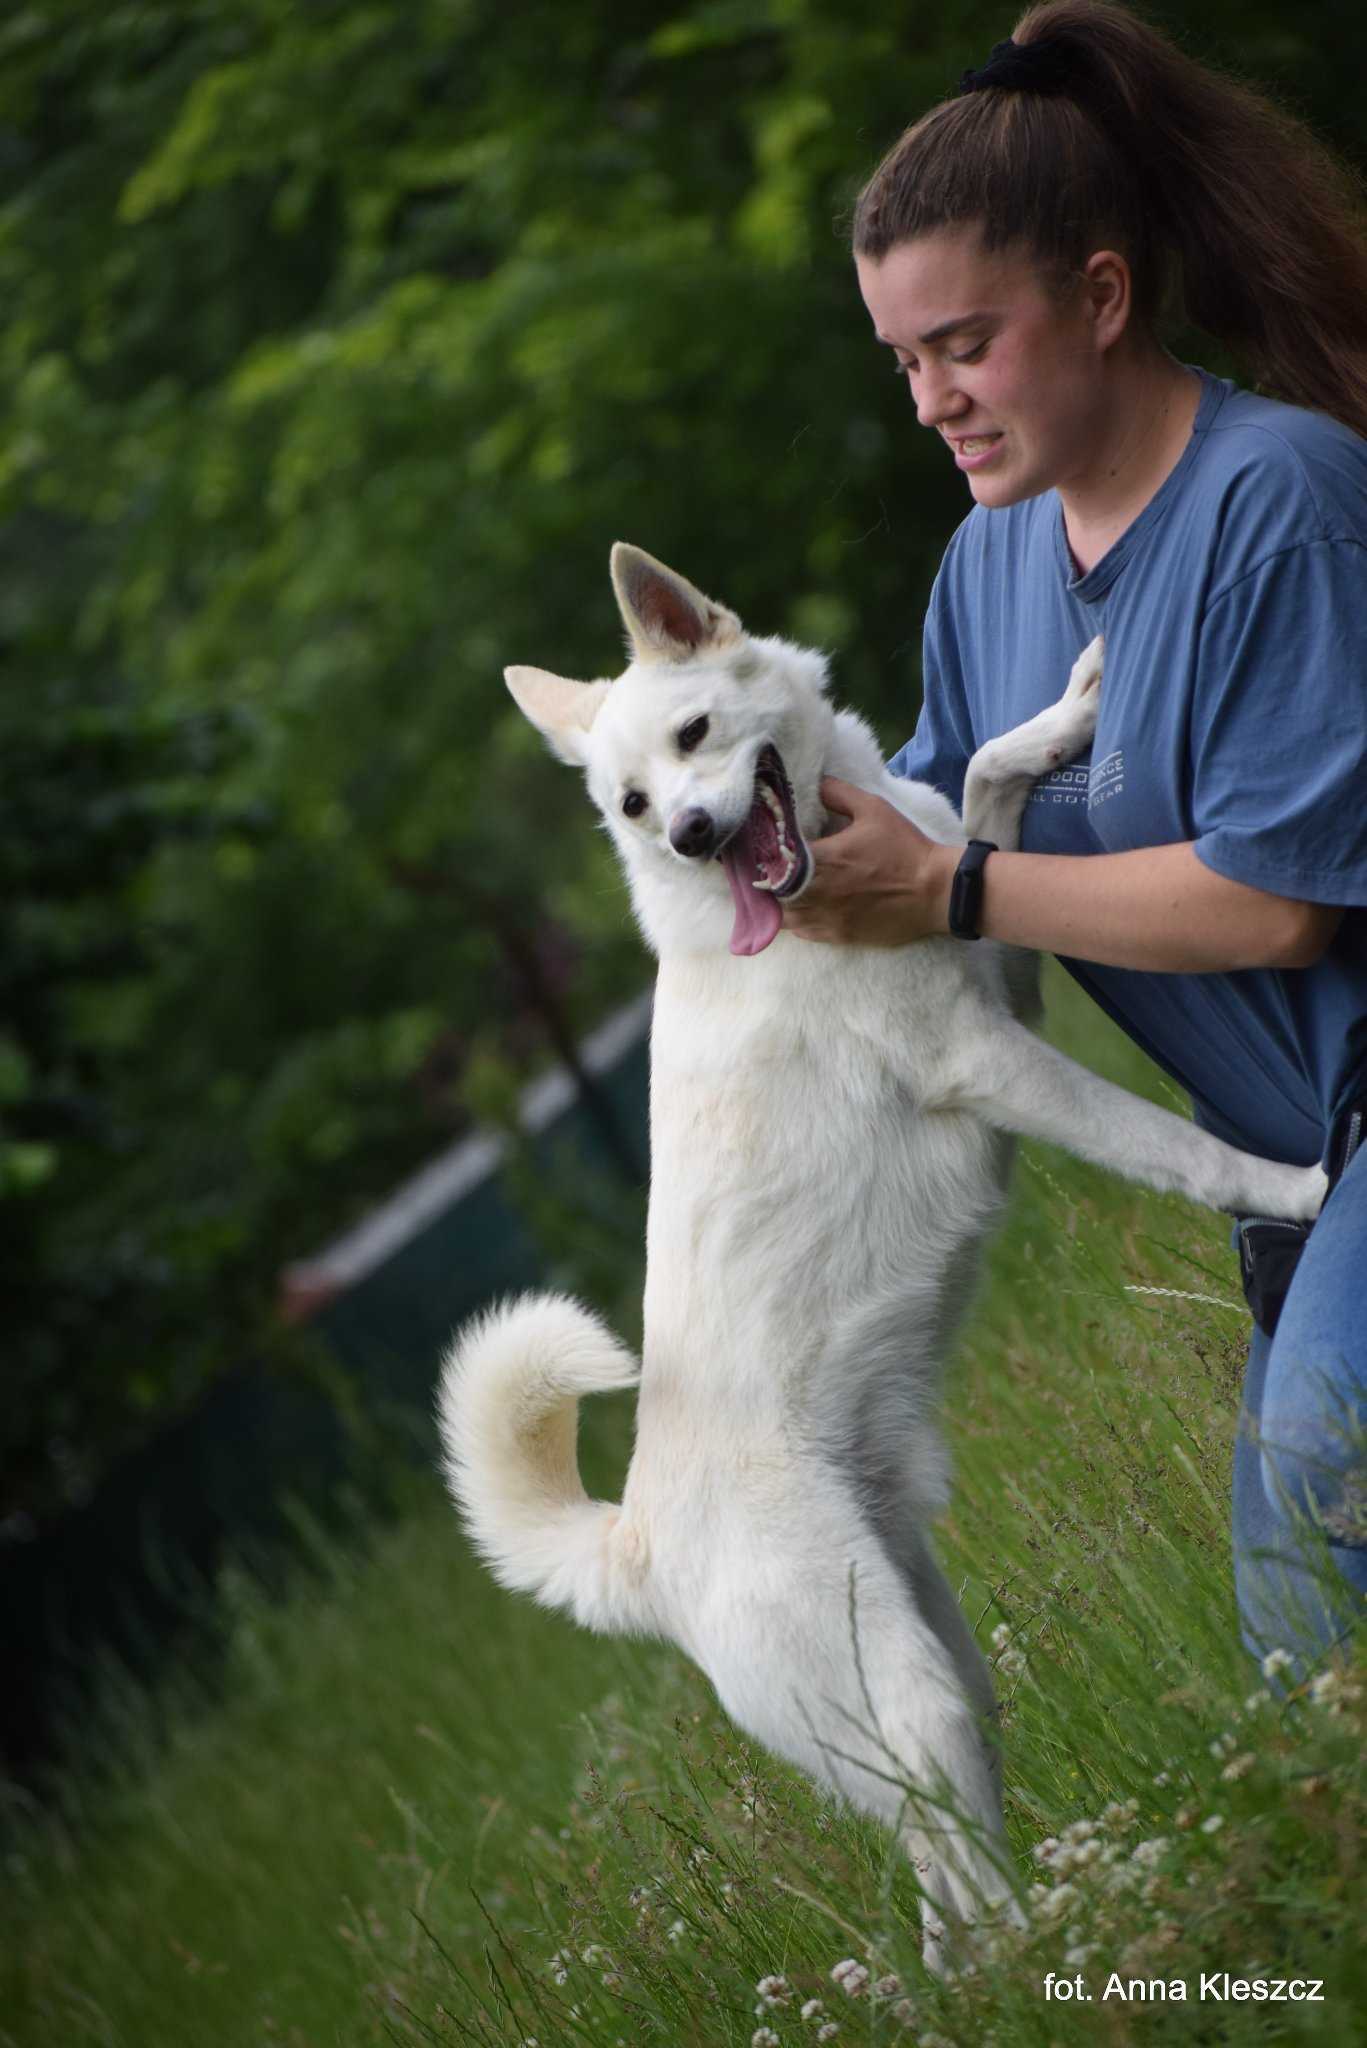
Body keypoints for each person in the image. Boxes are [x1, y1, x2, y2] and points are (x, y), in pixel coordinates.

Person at [782, 0, 1367, 1671]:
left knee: (1325, 1529)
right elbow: (911, 812)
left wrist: (954, 882)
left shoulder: (1283, 500)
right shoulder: (990, 572)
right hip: (1307, 1175)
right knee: (1297, 1651)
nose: (930, 401)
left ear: (1102, 298)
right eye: (904, 360)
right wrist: (761, 813)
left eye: (963, 343)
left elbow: (1272, 912)